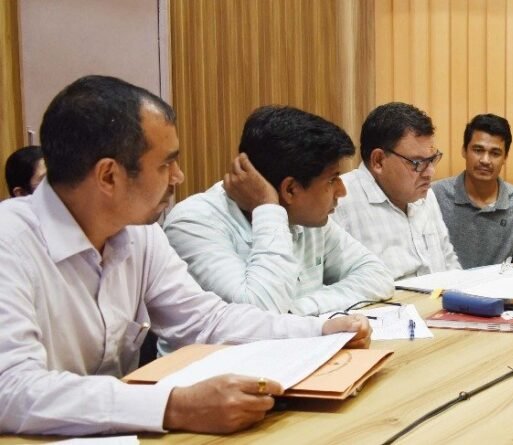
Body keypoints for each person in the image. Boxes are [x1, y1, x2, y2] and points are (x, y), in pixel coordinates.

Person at [0, 75, 370, 435]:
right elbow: (11, 390)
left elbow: (205, 320)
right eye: (166, 164)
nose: (178, 177)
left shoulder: (140, 234)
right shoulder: (10, 242)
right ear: (109, 176)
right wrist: (174, 406)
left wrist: (318, 331)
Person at [163, 106, 395, 317]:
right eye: (332, 179)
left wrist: (300, 309)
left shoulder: (309, 218)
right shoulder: (193, 222)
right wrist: (267, 208)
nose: (342, 191)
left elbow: (377, 276)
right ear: (290, 189)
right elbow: (258, 313)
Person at [333, 102, 461, 279]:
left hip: (441, 295)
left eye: (432, 160)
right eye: (417, 163)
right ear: (378, 161)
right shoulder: (338, 201)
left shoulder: (425, 193)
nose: (430, 172)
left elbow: (448, 260)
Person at [432, 113, 513, 268]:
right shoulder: (436, 194)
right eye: (478, 150)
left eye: (495, 153)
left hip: (501, 283)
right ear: (464, 151)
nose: (485, 160)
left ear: (505, 157)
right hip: (447, 282)